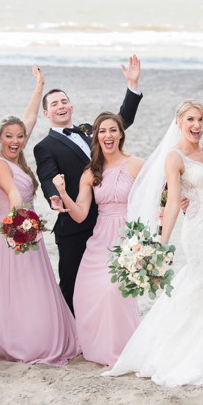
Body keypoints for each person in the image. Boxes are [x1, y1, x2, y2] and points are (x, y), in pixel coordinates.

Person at [105, 100, 203, 386]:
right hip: (199, 229)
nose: (197, 126)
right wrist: (160, 244)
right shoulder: (174, 157)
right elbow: (174, 203)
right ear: (179, 121)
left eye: (201, 120)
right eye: (191, 119)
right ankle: (187, 348)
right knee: (201, 281)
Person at [0, 67, 79, 365]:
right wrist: (19, 228)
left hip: (25, 228)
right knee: (19, 289)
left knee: (34, 286)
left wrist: (39, 87)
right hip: (11, 231)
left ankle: (37, 336)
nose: (15, 140)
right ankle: (21, 343)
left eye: (19, 136)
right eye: (9, 136)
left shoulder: (19, 158)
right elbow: (13, 195)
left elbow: (30, 119)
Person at [33, 58, 143, 313]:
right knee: (72, 284)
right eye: (53, 104)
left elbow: (119, 122)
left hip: (107, 221)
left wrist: (132, 86)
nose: (60, 106)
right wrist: (54, 197)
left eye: (63, 101)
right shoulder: (44, 146)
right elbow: (47, 175)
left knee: (108, 283)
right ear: (47, 113)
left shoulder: (88, 131)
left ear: (70, 106)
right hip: (74, 224)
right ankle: (73, 337)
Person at [52, 112, 144, 366]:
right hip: (100, 235)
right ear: (96, 137)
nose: (108, 136)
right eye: (102, 131)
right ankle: (98, 347)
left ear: (121, 134)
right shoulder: (91, 172)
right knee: (85, 291)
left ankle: (123, 346)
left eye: (113, 130)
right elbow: (80, 214)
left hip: (127, 235)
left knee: (114, 290)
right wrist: (62, 193)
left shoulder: (137, 165)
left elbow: (159, 192)